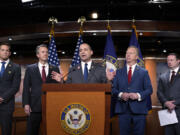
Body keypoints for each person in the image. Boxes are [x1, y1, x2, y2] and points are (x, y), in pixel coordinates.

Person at [112, 46, 153, 135]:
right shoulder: (118, 72)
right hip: (123, 110)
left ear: (136, 57)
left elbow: (149, 90)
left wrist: (138, 95)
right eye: (127, 53)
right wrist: (121, 94)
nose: (128, 55)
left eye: (131, 53)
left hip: (139, 110)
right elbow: (113, 89)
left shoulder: (144, 72)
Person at [22, 44, 60, 135]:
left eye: (47, 52)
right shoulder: (30, 68)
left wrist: (60, 81)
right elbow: (26, 87)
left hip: (50, 105)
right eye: (43, 52)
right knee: (32, 132)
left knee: (50, 131)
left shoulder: (54, 68)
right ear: (38, 55)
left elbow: (57, 89)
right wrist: (26, 103)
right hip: (34, 106)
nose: (45, 54)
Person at [0, 43, 21, 135]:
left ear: (10, 53)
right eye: (2, 50)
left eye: (7, 50)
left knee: (6, 130)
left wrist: (2, 98)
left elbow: (15, 87)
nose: (5, 52)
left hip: (7, 104)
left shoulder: (16, 67)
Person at [157, 53, 180, 135]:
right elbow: (159, 92)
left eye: (171, 60)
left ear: (178, 61)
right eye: (168, 60)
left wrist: (174, 103)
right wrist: (166, 102)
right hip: (167, 113)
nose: (169, 62)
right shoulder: (162, 76)